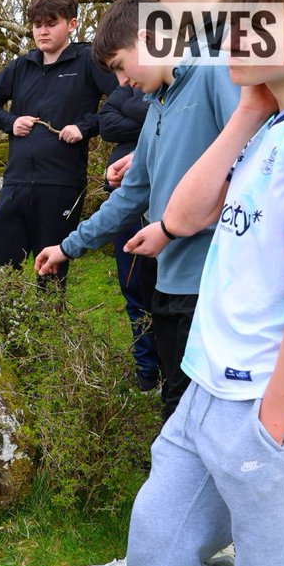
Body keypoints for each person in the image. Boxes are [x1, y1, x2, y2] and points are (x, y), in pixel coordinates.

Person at [124, 0, 284, 566]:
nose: (232, 35)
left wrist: (272, 428)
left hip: (274, 407)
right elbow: (181, 217)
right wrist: (246, 111)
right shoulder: (274, 121)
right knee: (156, 547)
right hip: (208, 391)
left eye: (256, 22)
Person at [35, 0, 241, 566]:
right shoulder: (157, 107)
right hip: (172, 286)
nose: (122, 83)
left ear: (151, 41)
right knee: (194, 424)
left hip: (215, 285)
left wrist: (175, 227)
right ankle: (225, 543)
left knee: (182, 431)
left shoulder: (214, 78)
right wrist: (69, 246)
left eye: (123, 67)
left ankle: (152, 562)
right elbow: (132, 195)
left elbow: (249, 170)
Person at [0, 0, 119, 285]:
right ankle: (2, 313)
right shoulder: (21, 66)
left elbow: (123, 98)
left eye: (51, 24)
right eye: (37, 25)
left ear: (72, 24)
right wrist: (11, 122)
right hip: (16, 180)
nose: (43, 31)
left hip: (61, 182)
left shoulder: (88, 60)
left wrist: (84, 127)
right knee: (2, 263)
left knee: (51, 271)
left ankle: (51, 314)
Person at [97, 86, 161, 392]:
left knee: (164, 287)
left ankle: (171, 369)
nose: (124, 80)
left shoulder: (184, 83)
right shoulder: (131, 83)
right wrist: (151, 120)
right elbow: (105, 123)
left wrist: (147, 117)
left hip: (161, 199)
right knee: (132, 285)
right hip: (123, 198)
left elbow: (167, 118)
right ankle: (146, 369)